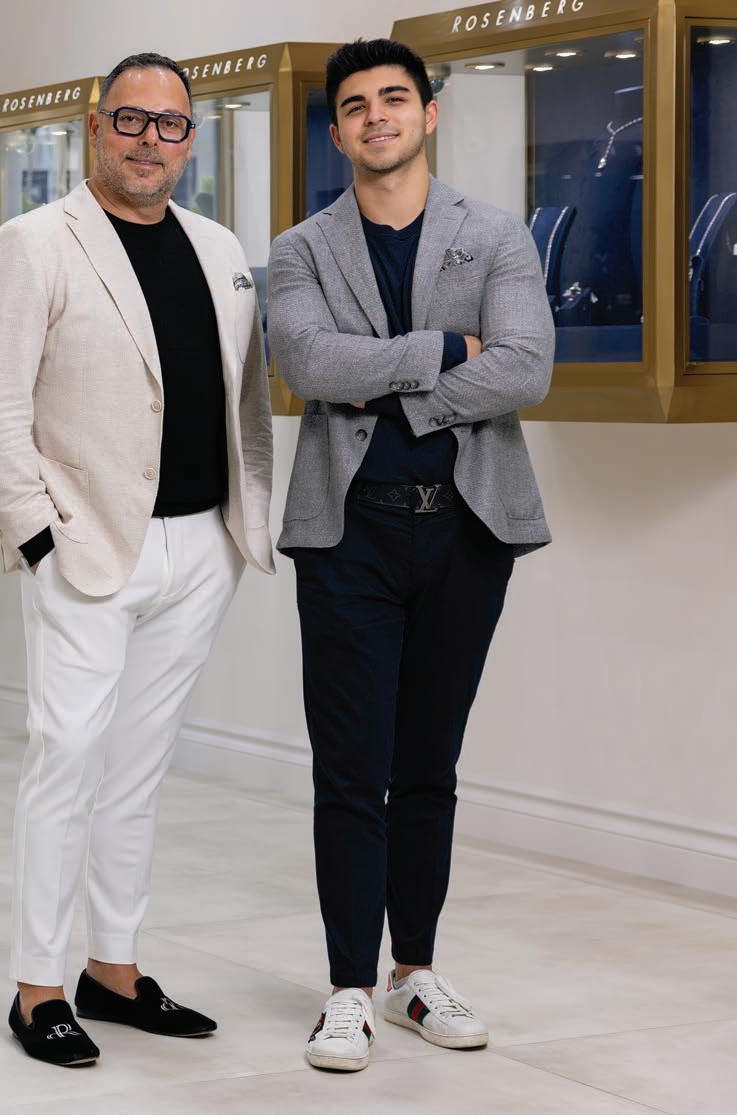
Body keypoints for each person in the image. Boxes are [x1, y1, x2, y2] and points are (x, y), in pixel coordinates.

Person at [0, 51, 274, 1067]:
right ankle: (37, 986)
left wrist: (240, 524)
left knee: (138, 768)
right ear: (96, 127)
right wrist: (37, 540)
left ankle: (115, 969)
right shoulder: (32, 244)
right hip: (87, 545)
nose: (149, 140)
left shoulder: (218, 247)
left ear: (191, 139)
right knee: (66, 758)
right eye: (130, 120)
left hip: (200, 545)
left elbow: (243, 396)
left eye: (169, 124)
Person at [267, 37, 554, 1073]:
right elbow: (306, 362)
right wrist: (441, 351)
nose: (375, 116)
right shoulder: (300, 250)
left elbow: (525, 369)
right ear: (337, 130)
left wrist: (385, 384)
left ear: (428, 113)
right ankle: (346, 985)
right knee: (351, 768)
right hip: (347, 531)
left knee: (428, 764)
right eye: (355, 105)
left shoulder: (495, 233)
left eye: (394, 98)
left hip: (467, 527)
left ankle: (413, 974)